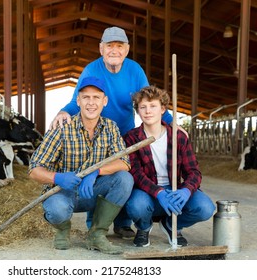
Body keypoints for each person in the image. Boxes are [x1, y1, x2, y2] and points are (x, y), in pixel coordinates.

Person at [50, 26, 173, 239]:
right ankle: (94, 225)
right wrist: (62, 112)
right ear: (101, 48)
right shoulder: (91, 70)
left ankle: (123, 223)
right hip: (97, 133)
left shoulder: (134, 70)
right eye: (109, 46)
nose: (114, 50)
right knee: (93, 174)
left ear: (126, 49)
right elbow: (76, 101)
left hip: (124, 135)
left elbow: (148, 99)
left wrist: (172, 124)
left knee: (124, 176)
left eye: (119, 46)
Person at [28, 76, 133, 255]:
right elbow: (33, 170)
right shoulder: (62, 128)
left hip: (92, 190)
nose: (91, 103)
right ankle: (62, 230)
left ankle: (97, 234)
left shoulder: (111, 128)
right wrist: (57, 177)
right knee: (56, 209)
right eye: (86, 97)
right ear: (78, 100)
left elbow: (124, 162)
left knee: (124, 179)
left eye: (96, 97)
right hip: (62, 192)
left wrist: (96, 173)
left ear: (104, 101)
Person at [123, 86, 215, 247]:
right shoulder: (132, 138)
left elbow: (193, 172)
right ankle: (144, 227)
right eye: (143, 107)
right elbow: (135, 174)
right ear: (137, 111)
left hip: (174, 189)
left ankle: (173, 225)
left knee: (206, 208)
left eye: (153, 106)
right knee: (136, 206)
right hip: (147, 191)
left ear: (163, 109)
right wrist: (158, 192)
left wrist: (186, 190)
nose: (148, 111)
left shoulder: (178, 137)